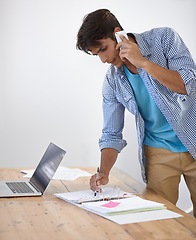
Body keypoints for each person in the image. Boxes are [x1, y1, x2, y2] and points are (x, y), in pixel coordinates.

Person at [76, 9, 196, 217]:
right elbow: (111, 134)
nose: (103, 59)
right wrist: (103, 172)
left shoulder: (164, 38)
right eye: (97, 55)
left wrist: (143, 63)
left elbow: (189, 85)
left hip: (193, 140)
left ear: (117, 34)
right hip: (158, 153)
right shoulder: (113, 80)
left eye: (103, 49)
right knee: (160, 222)